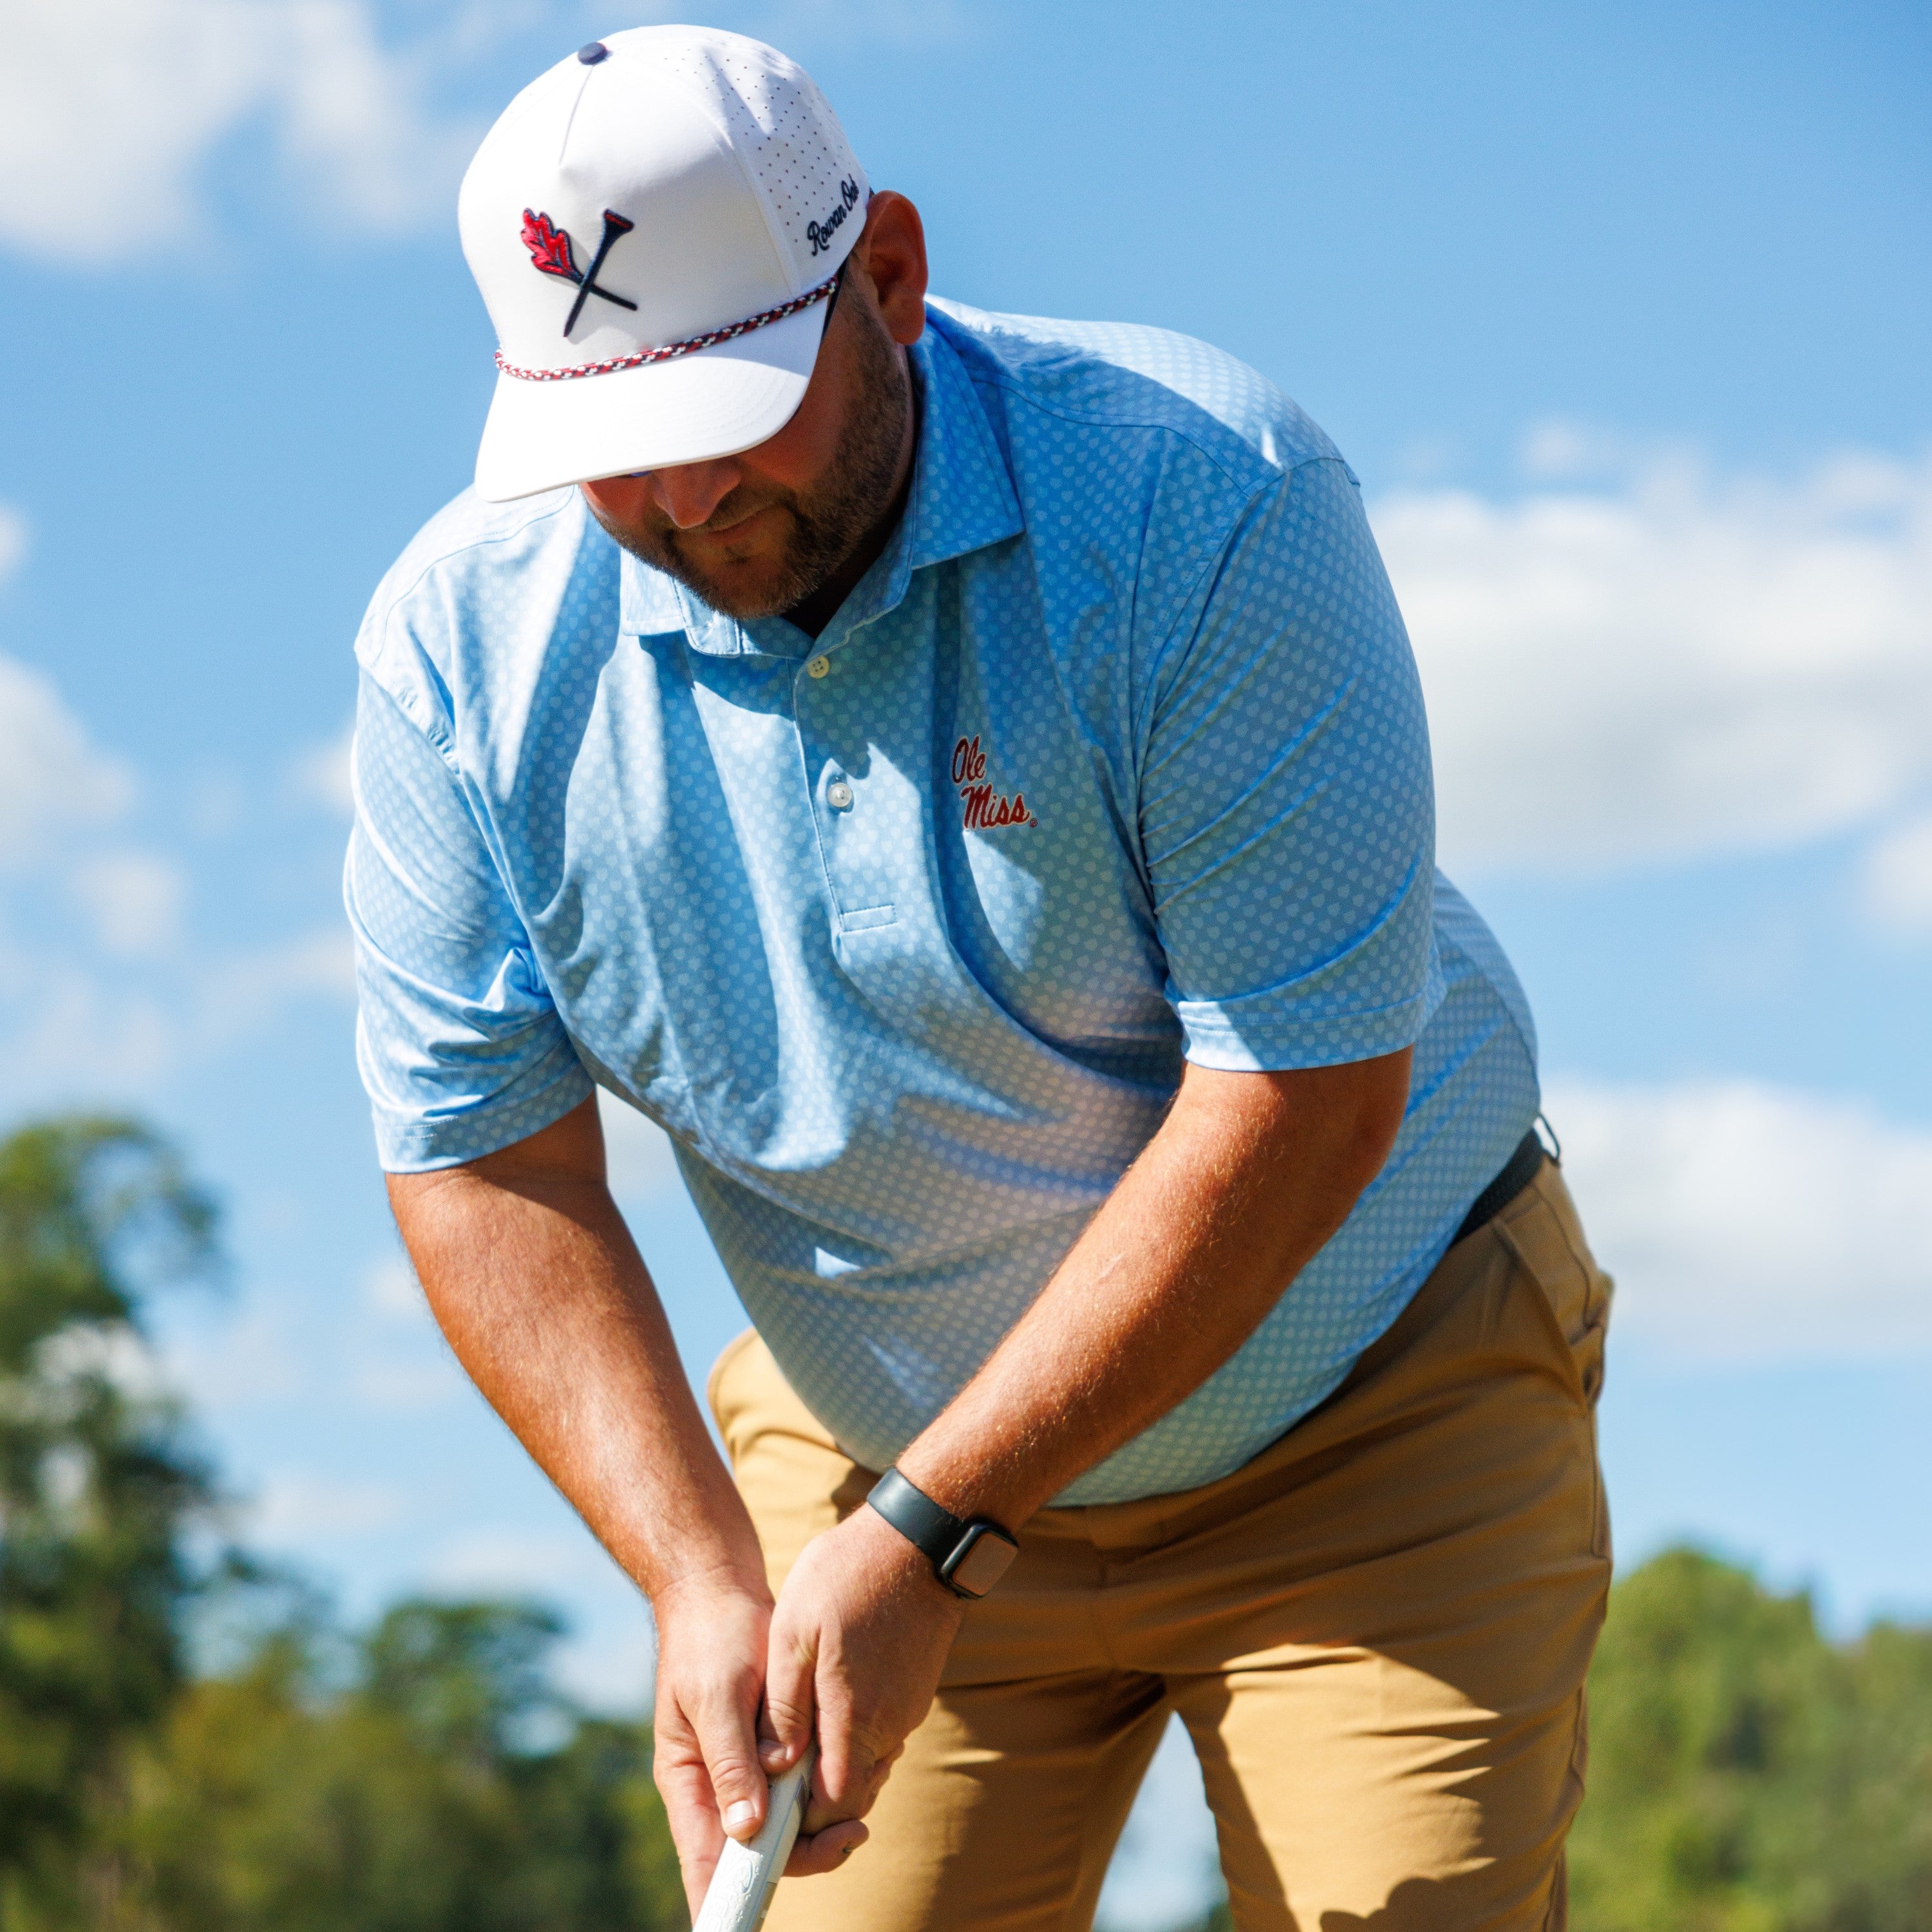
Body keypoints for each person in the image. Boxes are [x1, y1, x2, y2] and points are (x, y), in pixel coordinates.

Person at [348, 25, 1613, 1932]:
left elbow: (1300, 1094)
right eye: (611, 454)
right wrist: (702, 1574)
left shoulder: (1204, 501)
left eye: (729, 414)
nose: (681, 509)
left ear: (890, 279)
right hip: (872, 1453)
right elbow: (484, 1162)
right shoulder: (464, 657)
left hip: (1365, 1406)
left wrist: (942, 1530)